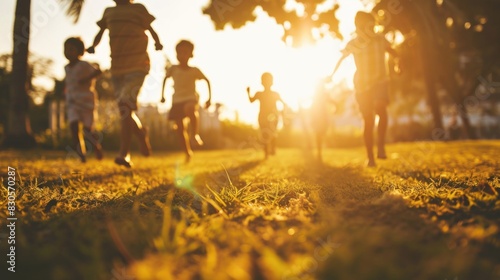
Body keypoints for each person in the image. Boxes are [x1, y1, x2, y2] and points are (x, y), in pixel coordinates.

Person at [87, 0, 163, 168]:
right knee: (125, 109)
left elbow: (150, 29)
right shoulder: (108, 12)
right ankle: (142, 134)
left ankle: (124, 153)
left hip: (138, 64)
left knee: (124, 105)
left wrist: (157, 42)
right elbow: (101, 31)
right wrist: (93, 45)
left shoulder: (138, 9)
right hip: (117, 67)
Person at [331, 11, 398, 167]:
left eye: (370, 25)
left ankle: (380, 145)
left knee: (381, 107)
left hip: (380, 81)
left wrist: (397, 62)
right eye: (362, 25)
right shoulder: (353, 43)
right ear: (357, 27)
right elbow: (341, 58)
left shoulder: (380, 39)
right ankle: (370, 157)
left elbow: (393, 52)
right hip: (362, 86)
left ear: (373, 25)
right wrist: (331, 75)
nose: (367, 28)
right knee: (368, 120)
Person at [161, 40, 212, 163]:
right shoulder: (173, 69)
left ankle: (195, 135)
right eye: (179, 52)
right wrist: (162, 96)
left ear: (191, 54)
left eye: (185, 52)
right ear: (176, 54)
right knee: (180, 129)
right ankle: (187, 152)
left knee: (190, 108)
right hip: (177, 101)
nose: (182, 55)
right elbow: (165, 79)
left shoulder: (194, 70)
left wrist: (209, 98)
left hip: (190, 98)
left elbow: (207, 80)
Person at [64, 37, 103, 163]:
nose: (67, 52)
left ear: (79, 51)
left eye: (71, 49)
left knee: (87, 130)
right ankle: (81, 155)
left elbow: (98, 72)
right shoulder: (66, 67)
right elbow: (70, 82)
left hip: (86, 101)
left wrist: (86, 79)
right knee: (74, 127)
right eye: (65, 49)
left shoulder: (84, 65)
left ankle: (96, 147)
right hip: (72, 102)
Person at [246, 72, 286, 159]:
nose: (267, 83)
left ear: (272, 82)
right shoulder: (259, 94)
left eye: (268, 81)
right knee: (264, 135)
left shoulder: (275, 94)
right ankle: (266, 153)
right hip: (262, 117)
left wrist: (282, 113)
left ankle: (272, 147)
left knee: (272, 132)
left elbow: (283, 103)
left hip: (273, 117)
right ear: (261, 82)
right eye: (265, 81)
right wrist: (248, 93)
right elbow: (251, 100)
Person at [310, 78, 336, 162]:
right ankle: (319, 151)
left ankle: (320, 148)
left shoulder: (324, 94)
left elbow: (331, 101)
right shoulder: (315, 94)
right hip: (316, 115)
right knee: (318, 133)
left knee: (322, 132)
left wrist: (336, 105)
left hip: (323, 116)